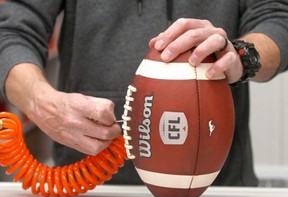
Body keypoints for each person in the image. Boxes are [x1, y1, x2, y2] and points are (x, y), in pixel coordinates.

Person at [0, 0, 287, 186]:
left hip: (217, 191)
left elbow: (278, 17)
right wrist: (41, 101)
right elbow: (11, 29)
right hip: (90, 190)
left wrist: (241, 56)